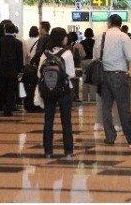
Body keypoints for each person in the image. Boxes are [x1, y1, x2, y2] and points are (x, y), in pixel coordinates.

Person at [93, 14, 131, 152]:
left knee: (106, 107)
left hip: (103, 76)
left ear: (109, 23)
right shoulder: (123, 37)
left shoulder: (101, 36)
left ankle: (110, 137)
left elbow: (95, 56)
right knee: (124, 108)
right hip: (119, 75)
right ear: (120, 24)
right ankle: (130, 139)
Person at [38, 27, 75, 158]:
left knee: (48, 121)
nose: (66, 38)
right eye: (65, 36)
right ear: (61, 38)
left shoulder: (44, 54)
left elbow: (39, 73)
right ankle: (68, 151)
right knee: (66, 121)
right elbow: (71, 74)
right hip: (64, 90)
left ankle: (48, 151)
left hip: (48, 91)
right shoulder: (67, 53)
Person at [0, 22, 23, 116]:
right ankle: (8, 110)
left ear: (5, 30)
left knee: (0, 90)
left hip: (1, 70)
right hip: (13, 71)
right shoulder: (18, 43)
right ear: (14, 31)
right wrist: (20, 70)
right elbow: (20, 58)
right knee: (11, 91)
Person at [32, 21, 51, 112]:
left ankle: (40, 104)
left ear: (43, 28)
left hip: (41, 64)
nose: (39, 30)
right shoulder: (51, 38)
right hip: (49, 65)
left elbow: (38, 52)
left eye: (40, 28)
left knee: (40, 84)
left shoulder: (42, 38)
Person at [22, 26, 40, 112]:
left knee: (25, 85)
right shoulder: (39, 41)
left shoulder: (25, 41)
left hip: (26, 66)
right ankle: (34, 103)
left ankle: (25, 102)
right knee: (33, 85)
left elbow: (26, 54)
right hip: (34, 66)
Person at [67, 31, 85, 102]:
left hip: (68, 67)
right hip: (76, 66)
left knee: (69, 82)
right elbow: (83, 55)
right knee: (76, 82)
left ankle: (70, 97)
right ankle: (76, 96)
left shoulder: (65, 47)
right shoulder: (78, 45)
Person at [80, 28, 97, 103]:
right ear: (92, 34)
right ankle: (93, 97)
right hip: (93, 61)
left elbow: (81, 54)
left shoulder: (82, 42)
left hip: (84, 61)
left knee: (85, 77)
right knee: (93, 79)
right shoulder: (94, 42)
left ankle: (85, 97)